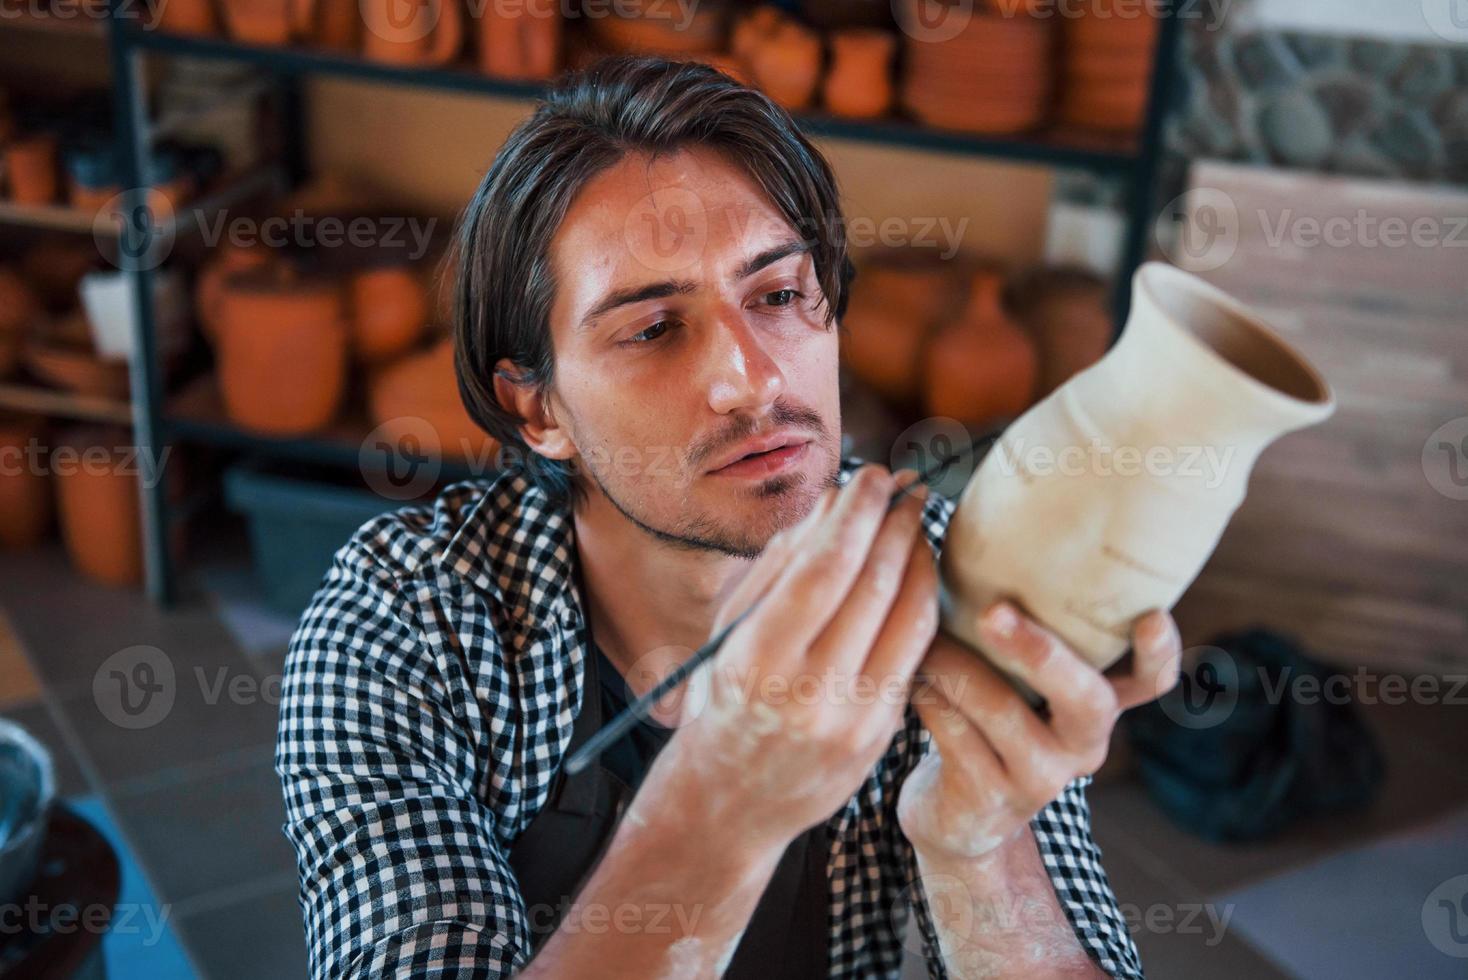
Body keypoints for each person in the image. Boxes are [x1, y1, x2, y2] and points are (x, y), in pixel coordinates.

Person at [276, 55, 1181, 980]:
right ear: (538, 411)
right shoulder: (405, 623)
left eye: (779, 295)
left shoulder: (942, 574)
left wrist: (978, 845)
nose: (753, 378)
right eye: (654, 329)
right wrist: (722, 801)